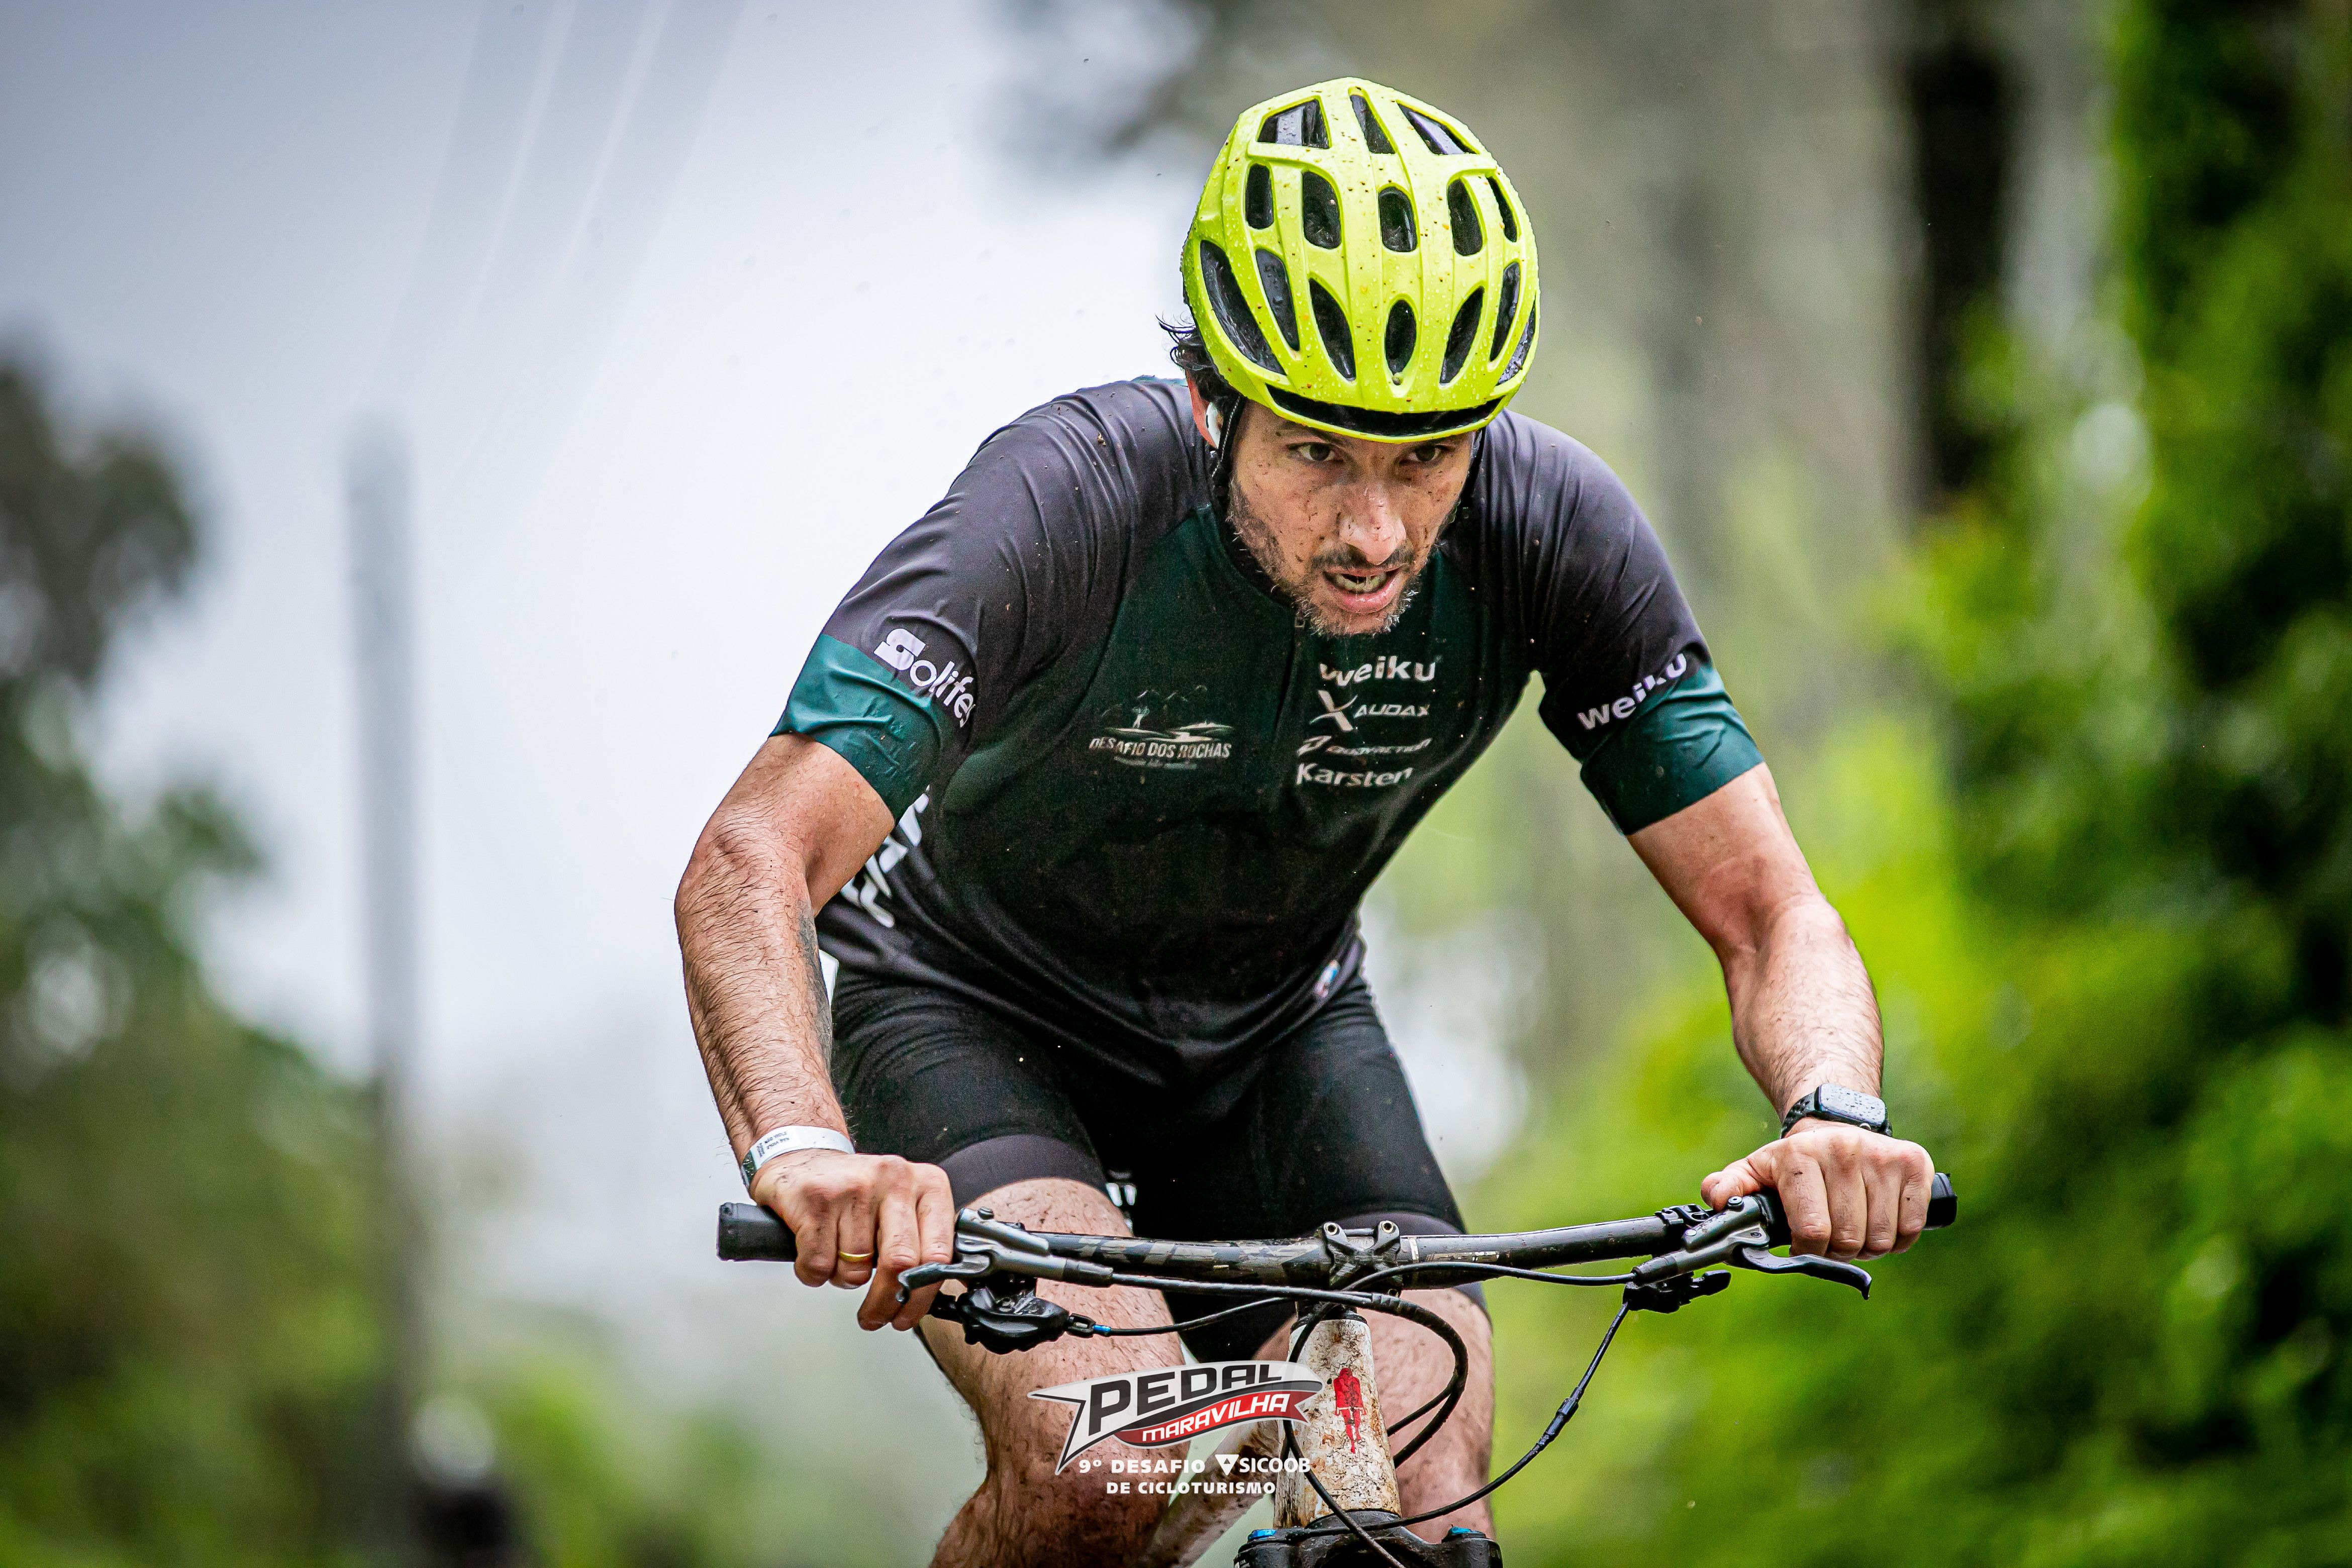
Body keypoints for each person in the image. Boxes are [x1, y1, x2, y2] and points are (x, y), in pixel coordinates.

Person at [677, 76, 1937, 1566]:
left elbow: (1771, 909)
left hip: (1276, 1031)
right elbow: (752, 855)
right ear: (1211, 403)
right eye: (1317, 452)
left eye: (1427, 458)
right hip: (973, 1011)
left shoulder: (1550, 529)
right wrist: (803, 1145)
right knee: (1109, 1464)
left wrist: (1835, 1115)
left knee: (1413, 1467)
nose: (1375, 532)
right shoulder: (1068, 500)